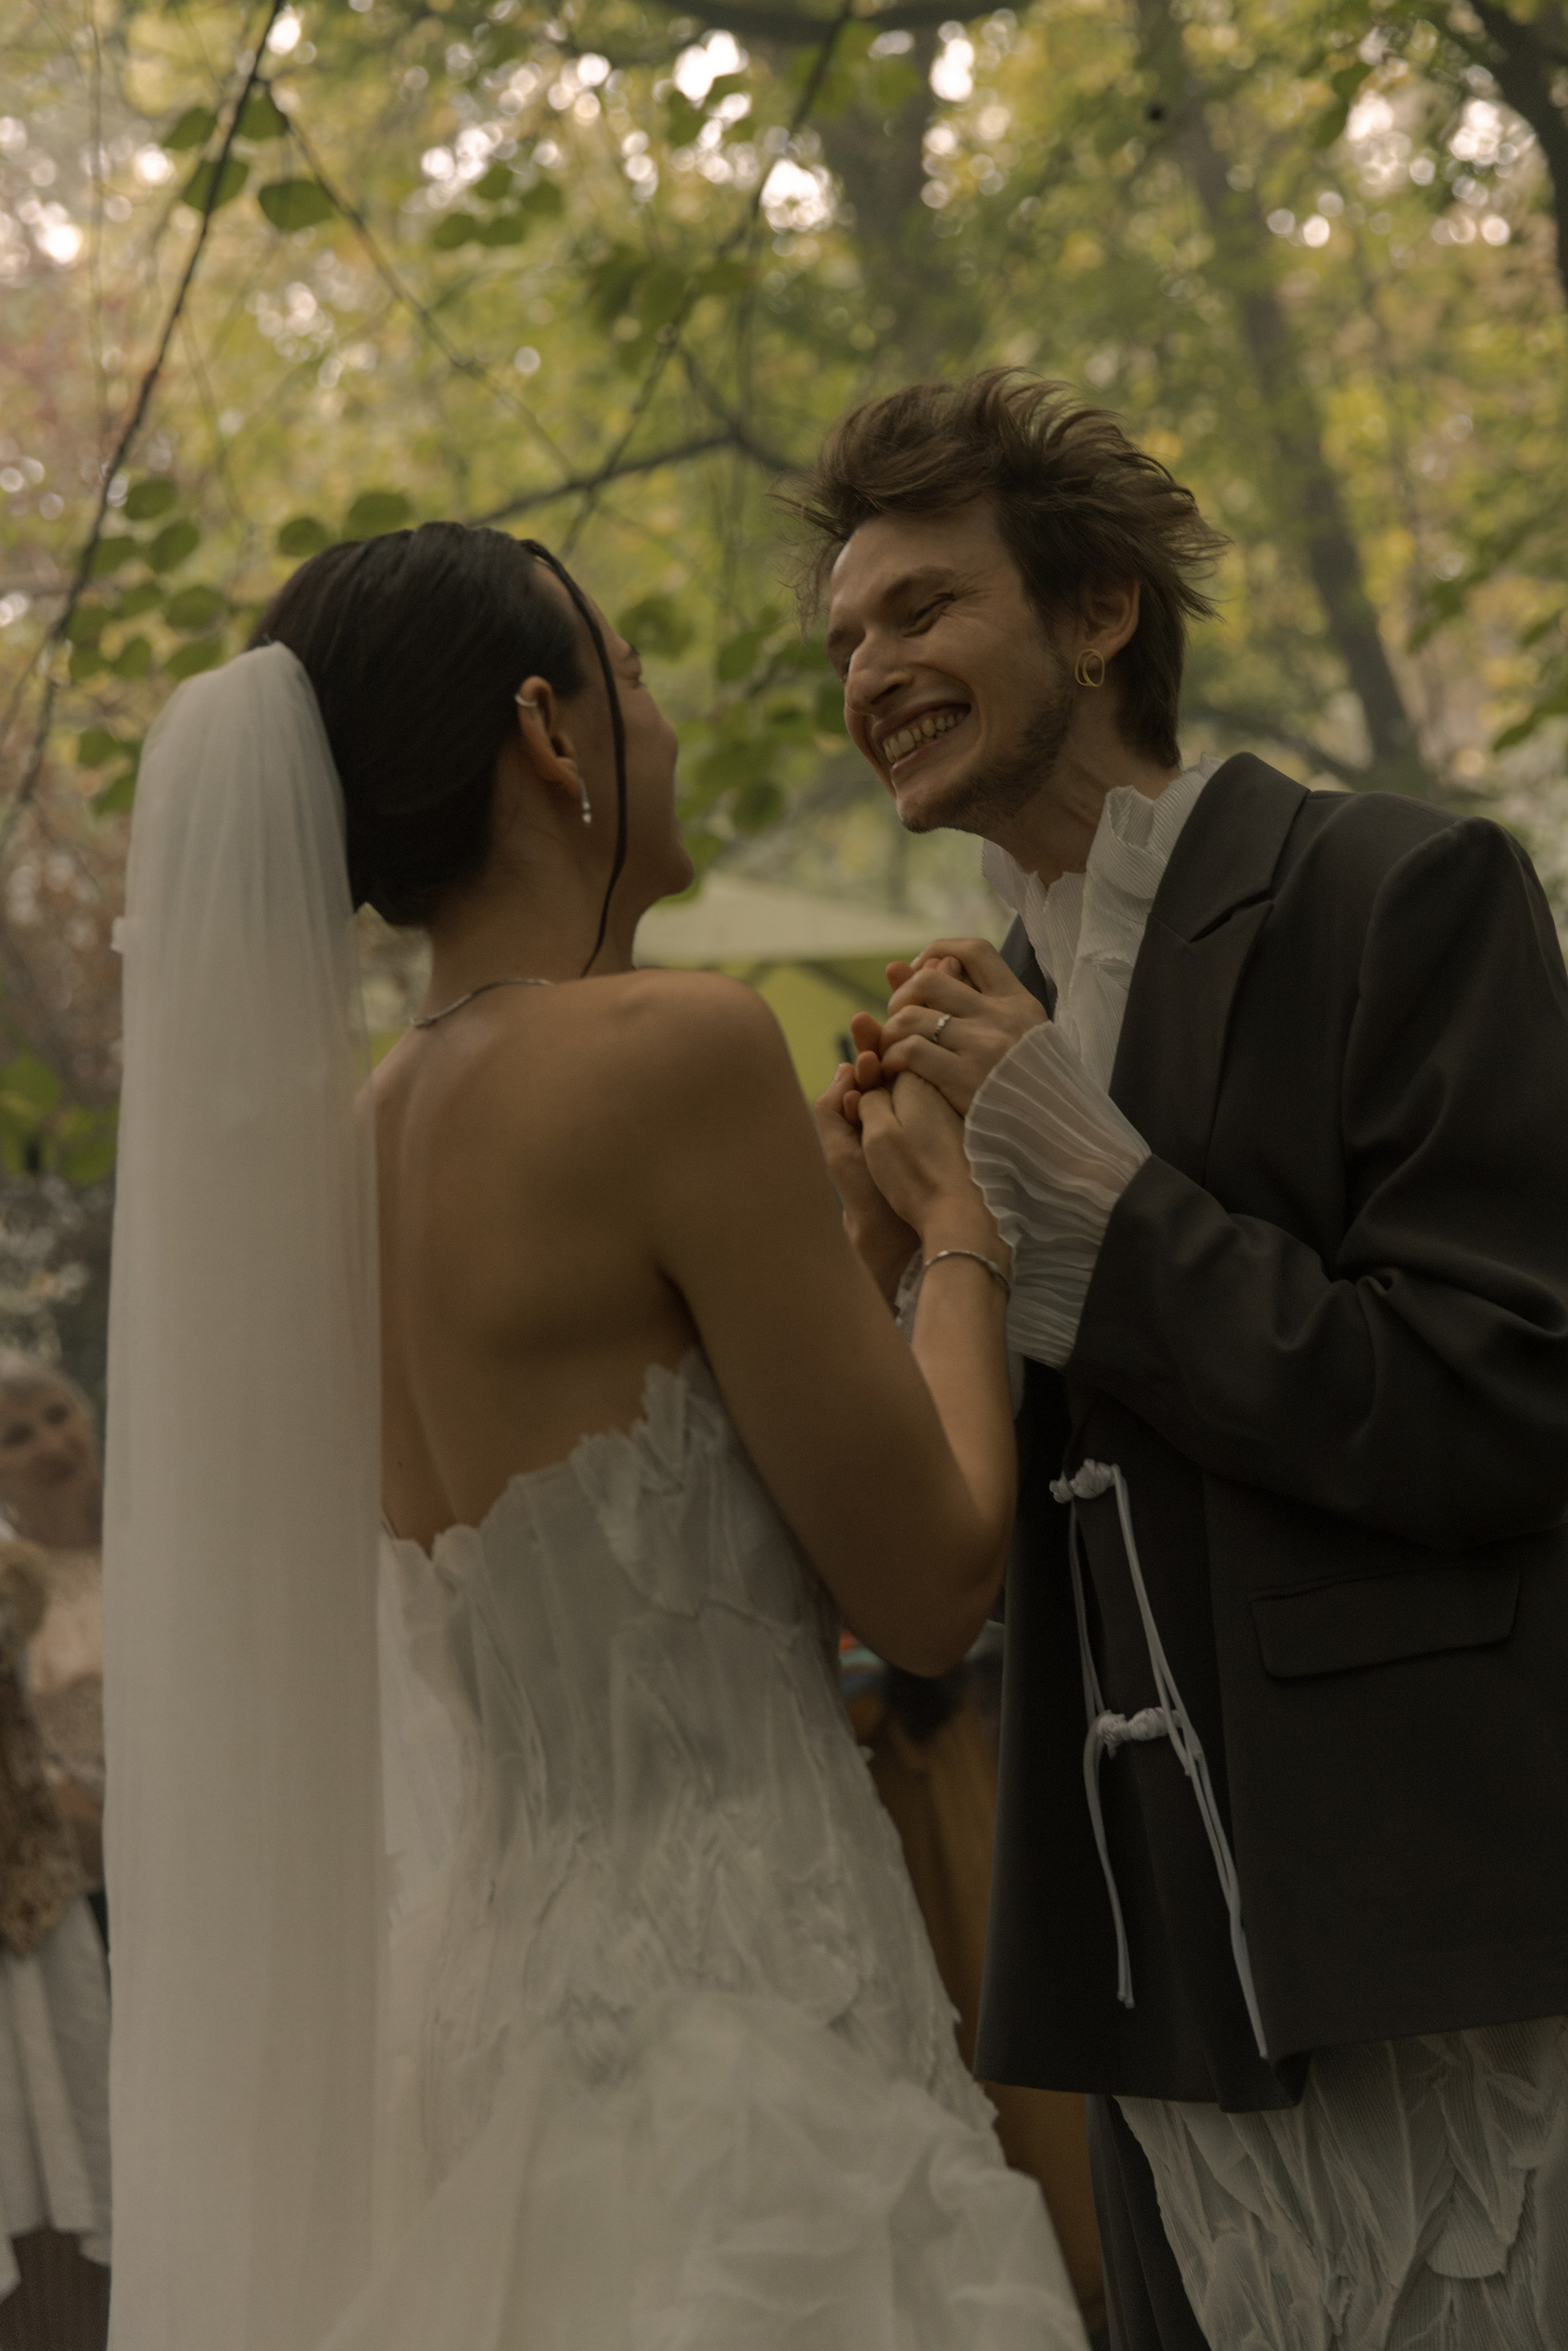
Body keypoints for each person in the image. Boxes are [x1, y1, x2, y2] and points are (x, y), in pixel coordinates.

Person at [103, 523, 1090, 2350]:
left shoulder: (352, 1158)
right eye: (629, 673)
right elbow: (940, 1578)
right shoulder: (676, 1053)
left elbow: (643, 1473)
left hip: (495, 2037)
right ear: (548, 737)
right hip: (745, 2031)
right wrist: (962, 1227)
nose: (668, 717)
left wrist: (839, 1256)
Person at [799, 367, 1568, 2349]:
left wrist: (1104, 1189)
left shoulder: (1401, 893)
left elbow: (1501, 1410)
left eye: (921, 609)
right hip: (1142, 1980)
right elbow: (961, 1561)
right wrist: (897, 1264)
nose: (870, 669)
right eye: (848, 639)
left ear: (1098, 610)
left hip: (1428, 1948)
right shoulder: (981, 1022)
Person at [0, 1359, 111, 2349]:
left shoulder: (160, 1557)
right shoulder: (13, 1597)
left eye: (57, 1415)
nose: (48, 1442)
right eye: (16, 1434)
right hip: (77, 1895)